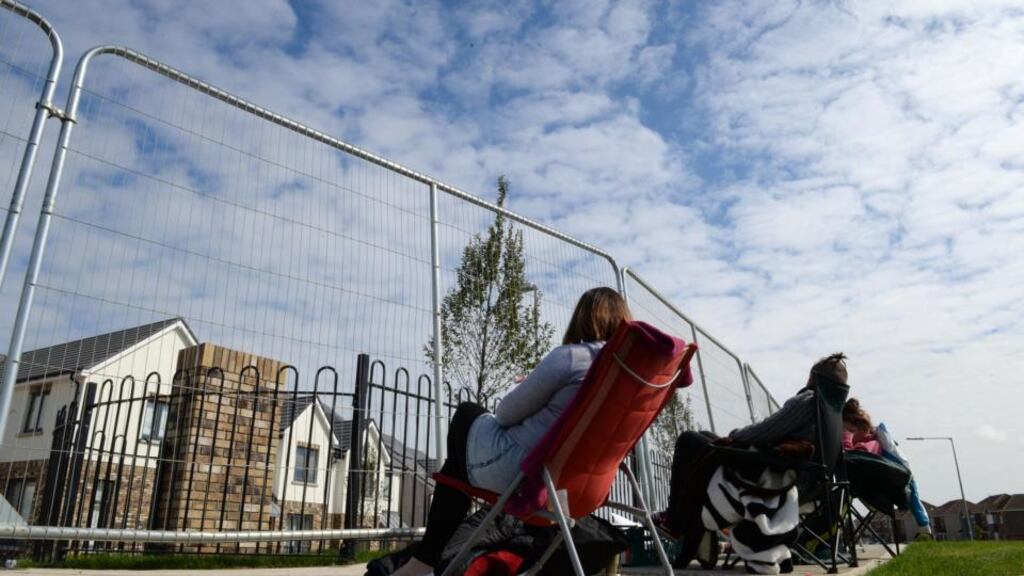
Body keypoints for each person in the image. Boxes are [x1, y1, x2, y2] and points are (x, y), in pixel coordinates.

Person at [392, 287, 632, 576]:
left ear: (582, 318)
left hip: (525, 475)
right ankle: (427, 562)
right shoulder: (627, 379)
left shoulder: (573, 357)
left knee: (466, 414)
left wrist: (531, 384)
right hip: (581, 488)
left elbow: (505, 414)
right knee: (457, 463)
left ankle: (425, 560)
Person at [653, 353, 848, 569]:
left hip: (772, 476)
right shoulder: (834, 414)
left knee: (688, 440)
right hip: (806, 481)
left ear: (813, 378)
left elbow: (765, 430)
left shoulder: (808, 401)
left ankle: (676, 522)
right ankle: (689, 524)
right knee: (706, 437)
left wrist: (734, 435)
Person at [842, 398, 933, 540]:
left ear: (861, 428)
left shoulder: (873, 444)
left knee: (914, 500)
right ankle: (925, 528)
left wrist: (847, 436)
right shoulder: (873, 442)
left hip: (890, 482)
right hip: (878, 482)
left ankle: (925, 529)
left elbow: (850, 454)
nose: (850, 436)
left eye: (852, 431)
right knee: (915, 501)